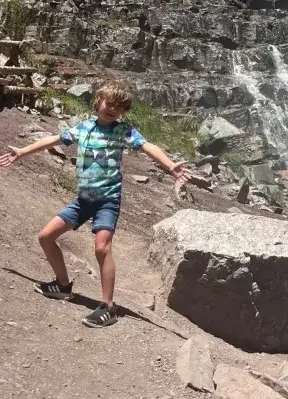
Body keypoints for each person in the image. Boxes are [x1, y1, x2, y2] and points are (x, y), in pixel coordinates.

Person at [0, 81, 188, 327]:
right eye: (109, 103)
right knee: (46, 237)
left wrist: (170, 165)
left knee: (101, 248)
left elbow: (148, 146)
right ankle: (63, 285)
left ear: (122, 112)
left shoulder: (124, 131)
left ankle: (108, 307)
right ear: (98, 102)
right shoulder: (84, 128)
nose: (112, 109)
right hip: (83, 200)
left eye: (119, 107)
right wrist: (22, 152)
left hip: (107, 200)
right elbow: (54, 139)